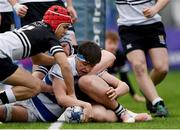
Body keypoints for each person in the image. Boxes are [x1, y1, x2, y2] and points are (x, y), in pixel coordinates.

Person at [0, 41, 151, 123]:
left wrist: (116, 91)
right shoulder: (64, 66)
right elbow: (61, 98)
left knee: (103, 116)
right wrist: (85, 105)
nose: (86, 68)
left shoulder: (92, 69)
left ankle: (125, 115)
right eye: (84, 64)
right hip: (31, 98)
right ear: (77, 57)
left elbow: (122, 85)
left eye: (91, 66)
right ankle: (126, 113)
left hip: (40, 114)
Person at [0, 5, 75, 105]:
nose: (65, 32)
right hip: (1, 55)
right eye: (65, 27)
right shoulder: (50, 35)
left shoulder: (38, 27)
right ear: (56, 23)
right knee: (34, 87)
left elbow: (37, 60)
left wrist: (58, 59)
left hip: (2, 52)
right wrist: (72, 94)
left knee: (34, 85)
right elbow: (65, 65)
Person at [115, 0, 170, 117]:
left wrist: (155, 8)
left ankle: (146, 89)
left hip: (153, 25)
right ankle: (157, 103)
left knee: (162, 68)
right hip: (128, 28)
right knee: (138, 66)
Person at [105, 31, 145, 102]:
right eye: (110, 43)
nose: (113, 46)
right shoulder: (98, 54)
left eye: (115, 43)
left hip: (110, 85)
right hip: (98, 83)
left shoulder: (120, 56)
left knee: (117, 85)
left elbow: (124, 78)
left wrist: (134, 96)